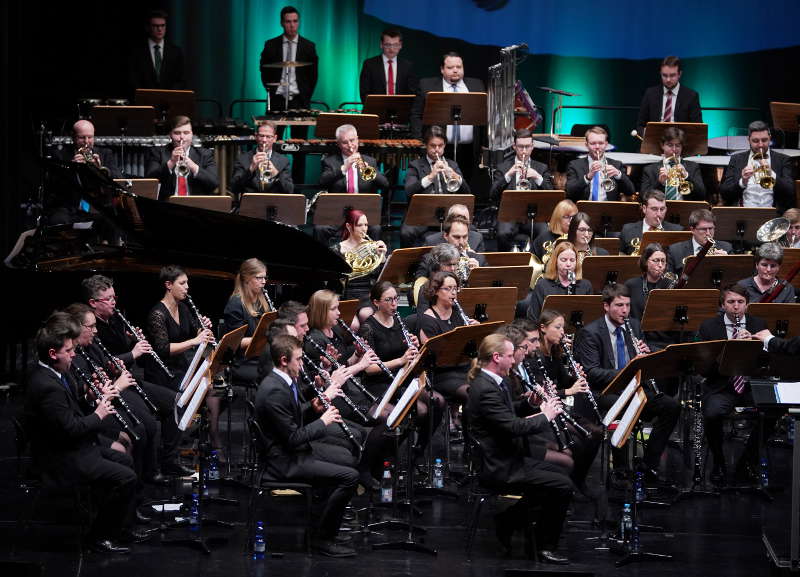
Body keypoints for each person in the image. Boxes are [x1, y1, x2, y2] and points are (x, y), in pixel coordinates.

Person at [24, 312, 138, 553]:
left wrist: (89, 396)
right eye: (68, 351)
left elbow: (69, 410)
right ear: (53, 354)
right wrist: (99, 413)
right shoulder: (47, 386)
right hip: (64, 457)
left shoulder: (55, 372)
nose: (73, 355)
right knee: (126, 477)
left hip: (77, 446)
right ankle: (98, 537)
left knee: (126, 460)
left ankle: (116, 524)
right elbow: (71, 429)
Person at [466, 333, 572, 563]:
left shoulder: (495, 381)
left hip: (507, 456)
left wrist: (529, 403)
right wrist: (546, 415)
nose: (513, 360)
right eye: (508, 356)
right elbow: (513, 427)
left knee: (560, 475)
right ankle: (544, 545)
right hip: (498, 466)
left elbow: (507, 413)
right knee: (562, 485)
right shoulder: (485, 389)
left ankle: (510, 520)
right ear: (496, 357)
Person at [255, 334, 358, 557]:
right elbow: (293, 437)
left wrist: (315, 406)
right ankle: (322, 539)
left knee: (345, 457)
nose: (302, 364)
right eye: (299, 360)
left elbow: (292, 418)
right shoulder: (273, 390)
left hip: (292, 452)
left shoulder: (282, 382)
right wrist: (323, 422)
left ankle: (321, 526)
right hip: (284, 462)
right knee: (349, 477)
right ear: (284, 360)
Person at [82, 274, 191, 478]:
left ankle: (169, 460)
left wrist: (134, 342)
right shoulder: (89, 329)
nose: (114, 302)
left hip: (129, 379)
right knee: (146, 423)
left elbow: (137, 360)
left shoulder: (116, 318)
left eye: (115, 297)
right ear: (93, 303)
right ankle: (147, 472)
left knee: (177, 402)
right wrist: (132, 352)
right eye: (109, 299)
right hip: (112, 386)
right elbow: (103, 362)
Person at [573, 284, 680, 482]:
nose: (625, 311)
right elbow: (591, 372)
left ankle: (649, 464)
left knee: (671, 406)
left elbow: (641, 365)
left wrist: (645, 356)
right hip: (605, 391)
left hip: (634, 389)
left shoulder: (634, 326)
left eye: (628, 305)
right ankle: (620, 468)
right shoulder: (590, 332)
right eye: (619, 305)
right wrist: (627, 372)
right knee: (623, 406)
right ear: (606, 306)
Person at [695, 284, 769, 485]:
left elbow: (768, 363)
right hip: (721, 385)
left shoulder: (758, 324)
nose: (736, 307)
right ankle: (719, 461)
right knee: (712, 413)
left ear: (747, 304)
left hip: (750, 384)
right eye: (731, 302)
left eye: (740, 302)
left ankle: (747, 460)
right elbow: (702, 368)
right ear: (722, 305)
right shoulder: (709, 327)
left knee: (773, 410)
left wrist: (754, 347)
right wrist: (728, 353)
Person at [411, 52, 485, 183]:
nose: (455, 70)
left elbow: (483, 115)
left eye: (459, 67)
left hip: (469, 148)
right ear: (442, 69)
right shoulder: (426, 86)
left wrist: (485, 145)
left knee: (465, 184)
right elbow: (416, 115)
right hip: (439, 148)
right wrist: (420, 142)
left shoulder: (477, 85)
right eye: (450, 68)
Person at [401, 126, 471, 247]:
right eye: (433, 146)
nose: (437, 150)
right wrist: (430, 177)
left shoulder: (452, 165)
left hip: (449, 217)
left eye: (440, 146)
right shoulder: (415, 165)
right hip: (422, 216)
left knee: (473, 230)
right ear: (426, 145)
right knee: (406, 232)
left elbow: (467, 192)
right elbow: (409, 191)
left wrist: (454, 175)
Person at [418, 272, 478, 411]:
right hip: (442, 374)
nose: (453, 293)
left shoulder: (457, 311)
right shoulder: (427, 319)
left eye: (455, 288)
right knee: (473, 393)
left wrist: (475, 332)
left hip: (463, 368)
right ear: (436, 291)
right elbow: (435, 357)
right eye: (448, 288)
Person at [48, 119, 122, 225]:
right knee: (57, 220)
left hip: (97, 206)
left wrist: (99, 169)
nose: (87, 142)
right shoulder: (60, 155)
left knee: (114, 219)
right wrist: (71, 168)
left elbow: (118, 179)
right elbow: (54, 185)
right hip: (70, 206)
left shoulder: (105, 154)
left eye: (90, 137)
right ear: (73, 137)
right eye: (82, 137)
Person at [491, 129, 554, 251]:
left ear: (532, 146)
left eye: (527, 146)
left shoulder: (541, 168)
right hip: (510, 214)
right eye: (520, 147)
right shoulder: (503, 167)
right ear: (514, 146)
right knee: (503, 233)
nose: (524, 151)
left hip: (534, 215)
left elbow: (551, 192)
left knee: (545, 233)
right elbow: (492, 194)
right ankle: (506, 264)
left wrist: (537, 177)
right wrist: (508, 175)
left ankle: (540, 263)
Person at [720, 120, 795, 214]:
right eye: (755, 141)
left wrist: (772, 174)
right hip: (743, 215)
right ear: (748, 140)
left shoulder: (783, 159)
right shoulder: (736, 159)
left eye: (764, 140)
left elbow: (790, 192)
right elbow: (724, 193)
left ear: (770, 138)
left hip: (774, 217)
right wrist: (742, 182)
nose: (760, 145)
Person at [259, 5, 318, 114]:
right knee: (275, 131)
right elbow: (264, 71)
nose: (292, 25)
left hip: (300, 100)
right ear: (281, 23)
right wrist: (271, 91)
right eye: (288, 22)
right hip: (277, 99)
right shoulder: (270, 45)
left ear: (299, 22)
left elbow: (313, 75)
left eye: (295, 21)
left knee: (300, 131)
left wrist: (306, 95)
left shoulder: (309, 46)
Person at [223, 258, 272, 386]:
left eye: (265, 278)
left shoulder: (262, 301)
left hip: (261, 356)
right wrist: (267, 338)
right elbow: (236, 343)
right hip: (245, 361)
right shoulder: (235, 304)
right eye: (259, 278)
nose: (263, 282)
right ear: (246, 279)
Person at [145, 115, 218, 200]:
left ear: (192, 134)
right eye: (177, 133)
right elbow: (150, 181)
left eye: (186, 133)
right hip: (167, 206)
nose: (182, 137)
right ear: (170, 134)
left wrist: (193, 166)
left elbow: (214, 183)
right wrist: (171, 162)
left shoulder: (205, 154)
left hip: (196, 206)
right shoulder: (157, 152)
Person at [334, 209, 387, 314]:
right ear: (349, 227)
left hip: (367, 293)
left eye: (366, 225)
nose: (364, 229)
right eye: (359, 225)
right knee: (353, 324)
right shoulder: (338, 249)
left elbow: (379, 277)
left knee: (365, 314)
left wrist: (382, 258)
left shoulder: (373, 247)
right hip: (345, 294)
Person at [527, 241, 593, 322]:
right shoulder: (542, 285)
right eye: (563, 260)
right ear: (555, 262)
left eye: (572, 260)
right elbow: (533, 318)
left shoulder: (585, 285)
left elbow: (590, 318)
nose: (568, 264)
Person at [636, 55, 702, 135]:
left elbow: (698, 128)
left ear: (679, 74)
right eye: (664, 75)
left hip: (681, 144)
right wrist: (645, 133)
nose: (668, 79)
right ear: (660, 73)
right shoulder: (650, 94)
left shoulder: (691, 96)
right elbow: (640, 125)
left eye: (672, 75)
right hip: (654, 141)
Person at [565, 126, 634, 202]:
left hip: (609, 211)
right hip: (583, 211)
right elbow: (569, 193)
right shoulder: (574, 165)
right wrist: (588, 177)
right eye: (593, 143)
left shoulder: (617, 165)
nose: (597, 147)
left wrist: (618, 174)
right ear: (586, 145)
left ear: (606, 144)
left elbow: (630, 191)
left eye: (601, 143)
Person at [229, 121, 293, 201]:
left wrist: (276, 175)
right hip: (250, 206)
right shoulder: (243, 158)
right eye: (261, 136)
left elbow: (289, 191)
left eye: (268, 137)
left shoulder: (283, 161)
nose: (264, 140)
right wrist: (251, 169)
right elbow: (234, 188)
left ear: (274, 138)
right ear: (256, 136)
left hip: (274, 205)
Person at [640, 126, 705, 201]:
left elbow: (702, 195)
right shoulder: (649, 170)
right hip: (659, 211)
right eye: (670, 145)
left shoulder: (693, 167)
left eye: (677, 145)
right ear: (662, 145)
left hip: (685, 209)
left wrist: (687, 176)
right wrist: (660, 183)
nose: (674, 149)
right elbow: (643, 197)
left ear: (682, 147)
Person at [128, 9, 185, 91]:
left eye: (162, 25)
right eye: (155, 26)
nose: (160, 29)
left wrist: (168, 96)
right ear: (147, 27)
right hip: (144, 101)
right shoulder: (136, 52)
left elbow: (181, 80)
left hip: (169, 101)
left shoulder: (176, 52)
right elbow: (133, 79)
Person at [359, 28, 418, 102]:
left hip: (401, 110)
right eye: (388, 45)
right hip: (376, 109)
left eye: (396, 45)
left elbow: (412, 93)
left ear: (400, 46)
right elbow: (364, 93)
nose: (391, 49)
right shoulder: (370, 64)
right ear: (381, 45)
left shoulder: (407, 66)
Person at [667, 208, 731, 274]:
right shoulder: (675, 251)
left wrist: (726, 262)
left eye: (711, 228)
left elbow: (735, 278)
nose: (708, 233)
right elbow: (670, 280)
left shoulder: (727, 248)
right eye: (703, 229)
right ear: (692, 230)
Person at [619, 190, 683, 255]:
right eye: (654, 209)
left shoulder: (677, 230)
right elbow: (620, 256)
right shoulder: (627, 229)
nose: (659, 214)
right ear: (644, 209)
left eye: (662, 209)